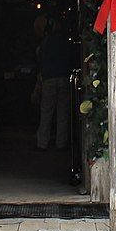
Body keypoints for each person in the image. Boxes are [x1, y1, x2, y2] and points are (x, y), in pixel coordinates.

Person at [33, 16, 74, 150]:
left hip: (49, 79)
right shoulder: (64, 41)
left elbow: (40, 59)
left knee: (46, 112)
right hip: (63, 78)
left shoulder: (46, 42)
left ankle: (42, 143)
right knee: (62, 113)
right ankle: (61, 143)